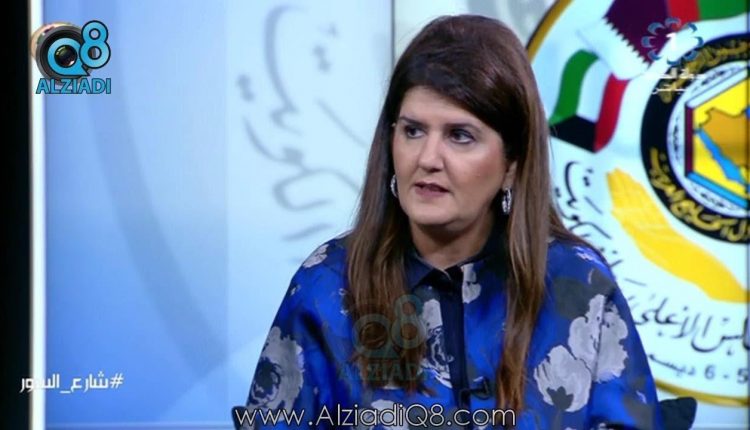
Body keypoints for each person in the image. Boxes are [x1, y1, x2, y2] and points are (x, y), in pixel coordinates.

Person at [238, 14, 663, 429]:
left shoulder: (579, 286)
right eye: (413, 131)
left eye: (460, 135)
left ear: (512, 164)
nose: (427, 158)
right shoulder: (328, 284)